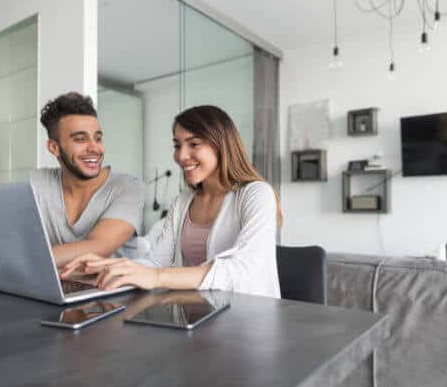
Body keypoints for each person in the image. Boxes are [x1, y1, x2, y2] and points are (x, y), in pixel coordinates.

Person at [61, 105, 282, 298]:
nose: (181, 155)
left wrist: (156, 277)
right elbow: (157, 262)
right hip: (200, 317)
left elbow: (243, 268)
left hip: (249, 321)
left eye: (194, 144)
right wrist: (108, 266)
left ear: (221, 145)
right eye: (177, 145)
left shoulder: (256, 194)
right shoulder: (183, 201)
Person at [0, 92, 144, 283]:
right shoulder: (39, 183)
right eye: (81, 139)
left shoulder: (127, 187)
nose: (95, 148)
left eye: (98, 138)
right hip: (56, 292)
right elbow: (1, 234)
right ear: (54, 148)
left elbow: (97, 246)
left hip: (118, 300)